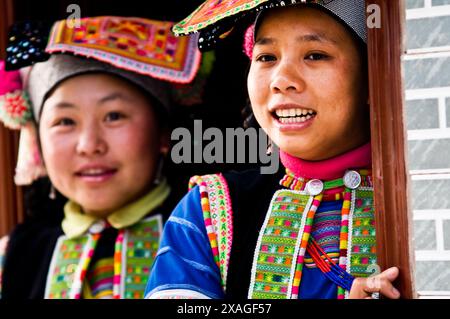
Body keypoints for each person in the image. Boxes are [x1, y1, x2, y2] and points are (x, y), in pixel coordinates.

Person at [145, 0, 401, 299]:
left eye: (315, 55)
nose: (282, 81)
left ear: (373, 78)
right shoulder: (208, 212)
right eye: (266, 57)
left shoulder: (425, 202)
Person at [0, 16, 201, 299]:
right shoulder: (14, 256)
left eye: (114, 116)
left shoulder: (206, 238)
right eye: (65, 121)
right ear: (39, 142)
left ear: (163, 133)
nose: (89, 145)